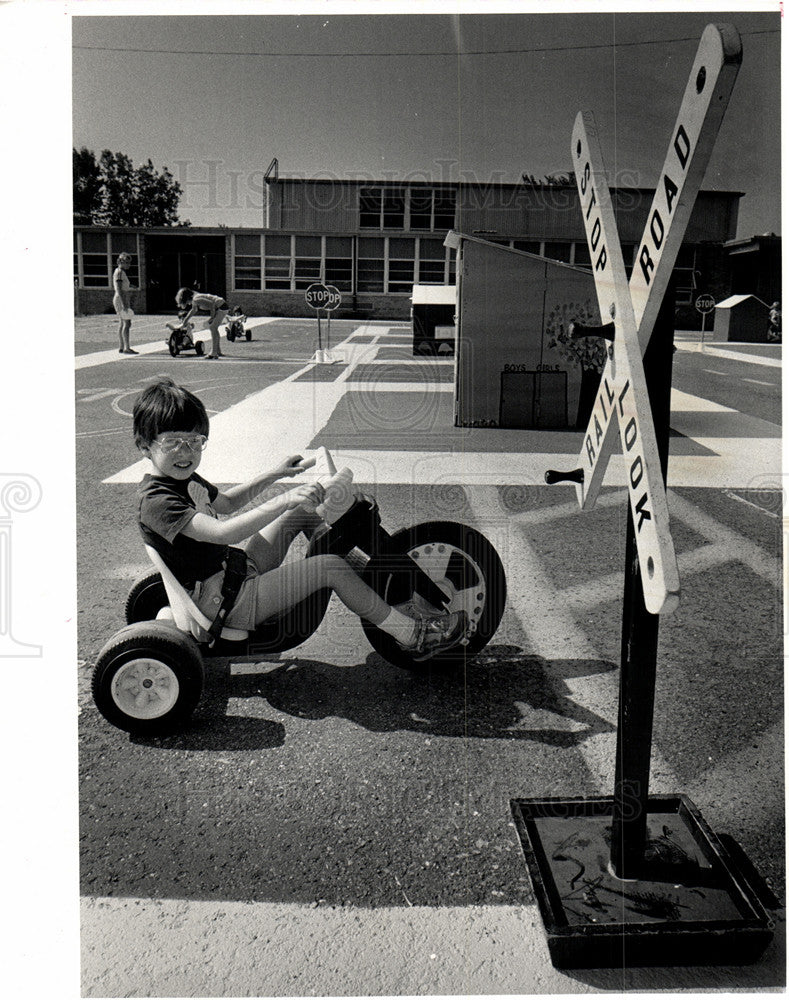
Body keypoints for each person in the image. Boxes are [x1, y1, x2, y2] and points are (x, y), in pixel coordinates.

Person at [132, 377, 468, 659]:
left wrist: (276, 475)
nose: (186, 452)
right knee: (329, 567)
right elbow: (222, 532)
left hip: (233, 573)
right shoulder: (159, 502)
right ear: (145, 445)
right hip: (227, 603)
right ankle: (414, 634)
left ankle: (360, 568)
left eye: (194, 441)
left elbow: (229, 502)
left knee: (301, 511)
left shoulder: (184, 480)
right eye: (173, 442)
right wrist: (284, 498)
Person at [175, 287, 228, 359]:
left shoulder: (196, 299)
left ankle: (214, 353)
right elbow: (193, 310)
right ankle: (217, 351)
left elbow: (212, 305)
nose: (187, 304)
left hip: (221, 307)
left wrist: (212, 318)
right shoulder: (195, 299)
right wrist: (185, 321)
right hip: (222, 306)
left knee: (213, 328)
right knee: (214, 328)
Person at [113, 252, 137, 354]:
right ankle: (126, 347)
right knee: (127, 323)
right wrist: (124, 304)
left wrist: (131, 287)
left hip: (122, 297)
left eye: (129, 263)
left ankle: (122, 346)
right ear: (120, 262)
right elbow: (119, 289)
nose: (128, 264)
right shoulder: (119, 272)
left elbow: (124, 286)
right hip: (121, 298)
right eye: (126, 262)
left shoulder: (121, 272)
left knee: (122, 323)